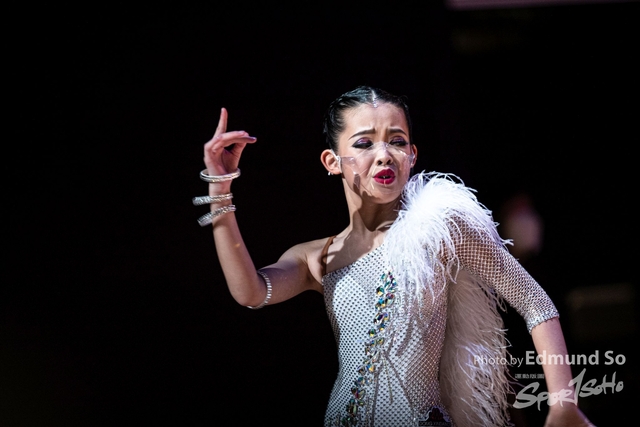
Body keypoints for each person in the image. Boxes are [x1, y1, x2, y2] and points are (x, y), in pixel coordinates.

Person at [196, 86, 595, 427]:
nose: (385, 154)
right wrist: (220, 188)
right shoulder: (319, 257)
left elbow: (536, 303)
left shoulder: (440, 227)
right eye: (364, 143)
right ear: (332, 161)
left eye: (398, 141)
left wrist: (563, 403)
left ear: (413, 155)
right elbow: (251, 292)